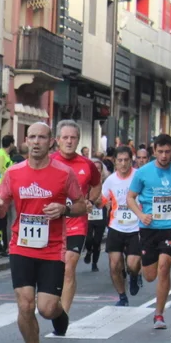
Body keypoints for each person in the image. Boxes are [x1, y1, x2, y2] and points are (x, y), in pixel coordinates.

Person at [0, 123, 84, 343]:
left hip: (51, 249)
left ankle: (59, 314)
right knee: (25, 304)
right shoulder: (14, 173)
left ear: (50, 141)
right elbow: (1, 205)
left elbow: (81, 205)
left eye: (42, 137)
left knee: (46, 308)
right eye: (32, 137)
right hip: (21, 246)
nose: (36, 142)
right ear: (26, 140)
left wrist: (64, 209)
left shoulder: (64, 173)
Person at [126, 133, 171, 329]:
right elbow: (130, 198)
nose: (164, 156)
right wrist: (140, 215)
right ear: (154, 151)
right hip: (148, 228)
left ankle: (159, 315)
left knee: (164, 267)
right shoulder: (142, 173)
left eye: (167, 152)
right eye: (160, 151)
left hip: (170, 227)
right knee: (150, 275)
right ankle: (136, 274)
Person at [50, 121, 102, 317]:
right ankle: (51, 299)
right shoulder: (48, 161)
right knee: (53, 269)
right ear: (57, 140)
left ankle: (63, 315)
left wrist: (90, 200)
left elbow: (97, 184)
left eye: (73, 138)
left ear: (78, 140)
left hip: (76, 224)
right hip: (52, 224)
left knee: (69, 266)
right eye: (65, 137)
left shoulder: (87, 164)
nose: (69, 141)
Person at [101, 146, 141, 306]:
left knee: (132, 264)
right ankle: (122, 296)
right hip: (116, 227)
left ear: (131, 161)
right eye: (120, 160)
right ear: (115, 162)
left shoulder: (139, 176)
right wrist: (101, 203)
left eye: (126, 160)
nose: (123, 164)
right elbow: (102, 199)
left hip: (136, 227)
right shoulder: (110, 180)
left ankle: (134, 275)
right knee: (115, 265)